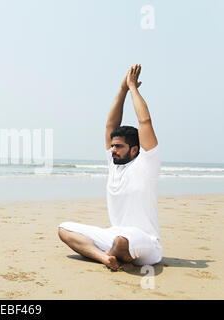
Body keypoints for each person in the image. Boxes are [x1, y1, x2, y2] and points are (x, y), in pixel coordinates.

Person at [58, 64, 162, 271]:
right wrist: (122, 90)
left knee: (123, 241)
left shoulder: (147, 163)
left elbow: (145, 121)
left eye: (118, 146)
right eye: (112, 146)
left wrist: (133, 88)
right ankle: (105, 258)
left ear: (134, 150)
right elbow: (110, 125)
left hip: (145, 243)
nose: (112, 150)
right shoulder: (114, 165)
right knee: (64, 229)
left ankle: (114, 252)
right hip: (115, 234)